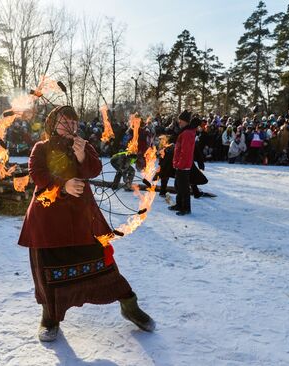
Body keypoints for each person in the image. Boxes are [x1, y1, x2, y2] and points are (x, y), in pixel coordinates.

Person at [18, 105, 155, 342]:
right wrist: (63, 185)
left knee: (104, 263)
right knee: (48, 274)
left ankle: (129, 305)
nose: (70, 126)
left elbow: (94, 169)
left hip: (82, 219)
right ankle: (49, 318)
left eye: (73, 122)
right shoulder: (41, 148)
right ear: (52, 124)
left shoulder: (83, 144)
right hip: (48, 222)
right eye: (64, 122)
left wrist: (82, 155)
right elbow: (37, 175)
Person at [170, 110, 196, 216]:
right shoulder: (185, 132)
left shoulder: (187, 133)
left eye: (180, 121)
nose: (179, 122)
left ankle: (186, 208)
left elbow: (185, 151)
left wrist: (180, 164)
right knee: (178, 186)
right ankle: (179, 204)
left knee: (184, 188)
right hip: (180, 164)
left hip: (183, 165)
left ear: (185, 121)